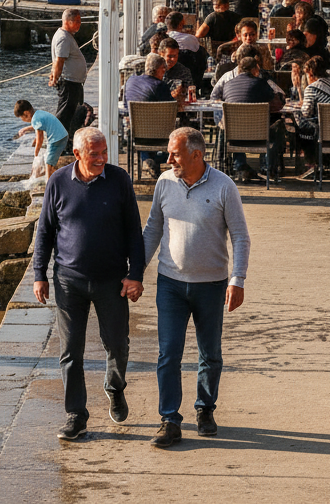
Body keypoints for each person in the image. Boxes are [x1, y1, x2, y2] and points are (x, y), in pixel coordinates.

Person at [31, 127, 145, 441]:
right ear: (78, 153)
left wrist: (136, 275)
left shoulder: (119, 180)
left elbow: (134, 231)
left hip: (112, 280)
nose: (101, 159)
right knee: (70, 352)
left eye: (104, 152)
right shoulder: (58, 182)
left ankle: (114, 386)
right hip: (69, 281)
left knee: (117, 344)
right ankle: (75, 415)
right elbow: (44, 233)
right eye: (94, 154)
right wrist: (39, 274)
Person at [142, 127, 250, 448]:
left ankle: (205, 409)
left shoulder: (224, 186)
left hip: (212, 285)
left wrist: (237, 279)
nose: (168, 158)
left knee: (210, 354)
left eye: (174, 153)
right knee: (168, 354)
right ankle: (169, 419)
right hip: (170, 284)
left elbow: (240, 236)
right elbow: (152, 231)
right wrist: (134, 271)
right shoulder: (164, 182)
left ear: (196, 155)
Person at [213, 57, 286, 182]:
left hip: (234, 137)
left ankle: (240, 166)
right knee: (277, 127)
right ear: (255, 70)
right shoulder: (262, 83)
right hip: (260, 135)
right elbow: (277, 103)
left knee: (231, 125)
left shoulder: (228, 84)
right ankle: (267, 167)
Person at [124, 53, 185, 178]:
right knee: (181, 128)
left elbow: (126, 105)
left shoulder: (131, 81)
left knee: (143, 129)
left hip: (135, 131)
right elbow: (171, 109)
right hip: (159, 133)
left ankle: (147, 159)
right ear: (161, 69)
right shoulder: (160, 86)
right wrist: (177, 97)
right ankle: (156, 160)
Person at [50, 8, 88, 144]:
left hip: (74, 82)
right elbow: (59, 60)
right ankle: (57, 141)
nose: (79, 24)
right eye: (77, 21)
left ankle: (68, 141)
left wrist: (53, 74)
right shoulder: (63, 38)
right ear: (68, 21)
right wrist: (55, 77)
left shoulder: (66, 36)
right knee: (65, 114)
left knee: (73, 114)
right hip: (69, 82)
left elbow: (57, 61)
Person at [14, 98, 68, 176]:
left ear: (26, 113)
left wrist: (36, 152)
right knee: (49, 161)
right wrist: (28, 131)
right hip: (62, 136)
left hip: (56, 140)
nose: (22, 120)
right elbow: (39, 128)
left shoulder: (35, 119)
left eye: (21, 117)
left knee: (48, 163)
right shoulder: (38, 113)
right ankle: (53, 175)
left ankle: (51, 183)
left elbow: (40, 138)